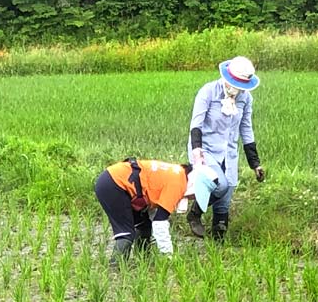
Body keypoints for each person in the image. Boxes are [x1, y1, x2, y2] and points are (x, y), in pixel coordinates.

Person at [187, 57, 265, 241]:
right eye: (235, 84)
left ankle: (217, 247)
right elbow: (196, 124)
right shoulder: (208, 92)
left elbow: (246, 129)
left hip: (228, 153)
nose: (238, 89)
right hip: (204, 150)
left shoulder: (245, 98)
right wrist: (197, 150)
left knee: (226, 196)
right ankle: (195, 213)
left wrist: (255, 164)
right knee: (219, 185)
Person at [95, 158, 219, 264]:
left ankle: (143, 261)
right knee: (126, 233)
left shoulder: (178, 173)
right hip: (114, 184)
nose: (193, 198)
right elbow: (160, 222)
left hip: (113, 179)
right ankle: (116, 269)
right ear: (195, 184)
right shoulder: (178, 184)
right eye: (196, 194)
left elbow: (153, 213)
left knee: (144, 225)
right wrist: (168, 256)